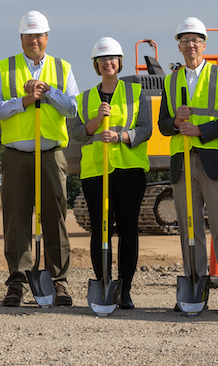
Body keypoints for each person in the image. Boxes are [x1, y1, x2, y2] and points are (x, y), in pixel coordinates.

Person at [0, 10, 80, 307]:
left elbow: (72, 110)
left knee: (55, 217)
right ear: (21, 38)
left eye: (38, 36)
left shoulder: (62, 68)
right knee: (16, 220)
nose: (34, 41)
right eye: (28, 36)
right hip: (17, 155)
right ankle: (17, 281)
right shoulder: (6, 67)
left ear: (47, 38)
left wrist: (48, 92)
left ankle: (58, 281)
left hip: (51, 154)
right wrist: (23, 102)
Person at [158, 16, 218, 314]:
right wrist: (175, 122)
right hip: (182, 163)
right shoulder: (170, 81)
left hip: (214, 161)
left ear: (204, 45)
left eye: (195, 40)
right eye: (185, 40)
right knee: (189, 229)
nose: (190, 44)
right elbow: (162, 126)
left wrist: (201, 131)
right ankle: (195, 286)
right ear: (179, 47)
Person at [72, 37, 151, 309]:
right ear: (96, 65)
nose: (108, 62)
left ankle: (125, 289)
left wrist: (122, 137)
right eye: (103, 59)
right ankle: (104, 283)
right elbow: (77, 133)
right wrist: (95, 121)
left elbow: (145, 129)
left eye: (113, 58)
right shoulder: (85, 99)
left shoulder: (136, 92)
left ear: (119, 63)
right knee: (99, 229)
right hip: (96, 171)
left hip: (129, 169)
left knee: (128, 229)